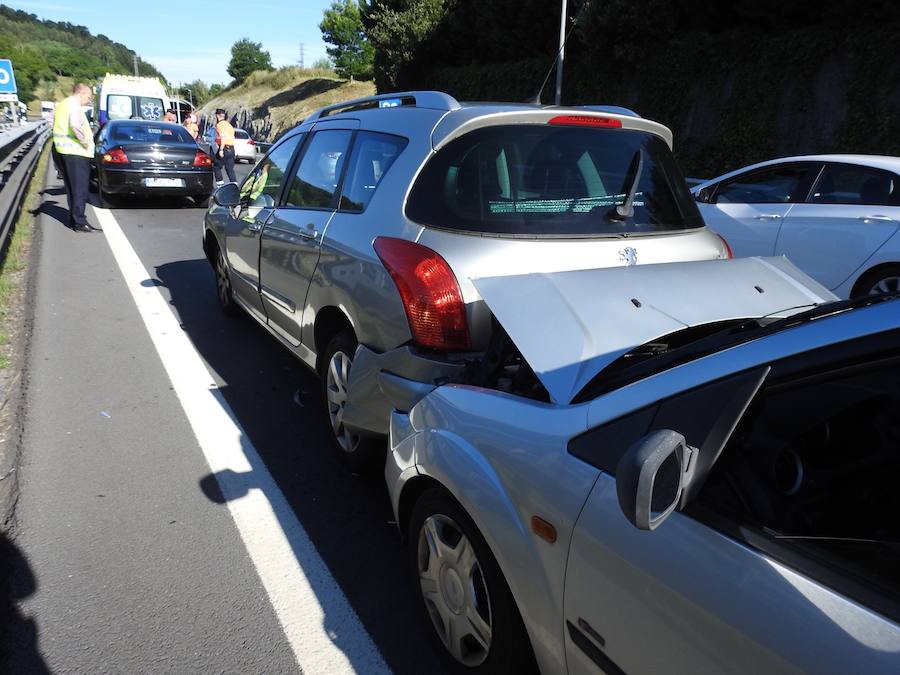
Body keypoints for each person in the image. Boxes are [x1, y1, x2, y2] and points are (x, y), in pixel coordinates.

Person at [52, 83, 97, 232]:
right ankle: (80, 222)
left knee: (71, 189)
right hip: (75, 153)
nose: (89, 100)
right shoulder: (73, 105)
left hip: (62, 151)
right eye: (88, 97)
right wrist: (84, 142)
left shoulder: (63, 104)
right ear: (81, 93)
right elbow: (75, 125)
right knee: (80, 189)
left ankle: (73, 220)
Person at [213, 108, 237, 185]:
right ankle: (234, 184)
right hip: (231, 148)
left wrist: (221, 150)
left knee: (217, 166)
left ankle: (220, 185)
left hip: (224, 148)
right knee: (229, 168)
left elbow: (223, 137)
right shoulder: (229, 125)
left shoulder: (220, 125)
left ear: (217, 116)